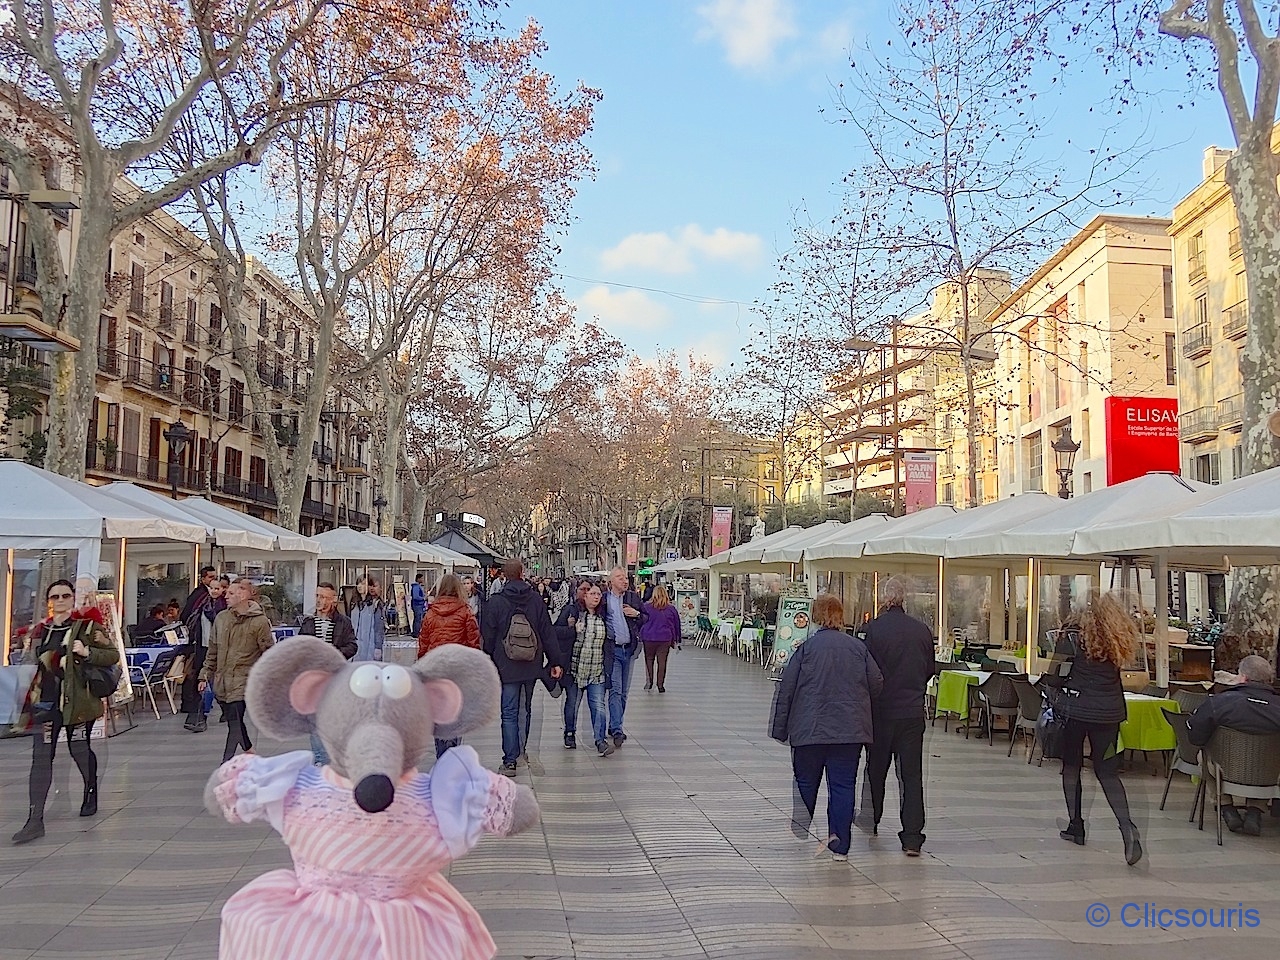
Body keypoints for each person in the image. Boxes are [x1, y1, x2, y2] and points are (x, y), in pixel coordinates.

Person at [769, 593, 883, 862]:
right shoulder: (858, 648)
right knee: (843, 786)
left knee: (806, 780)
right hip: (849, 732)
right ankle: (840, 846)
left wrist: (780, 728)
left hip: (810, 729)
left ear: (816, 616)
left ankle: (803, 818)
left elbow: (787, 688)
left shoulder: (806, 649)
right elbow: (876, 682)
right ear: (841, 616)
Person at [11, 580, 120, 845]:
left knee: (79, 749)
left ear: (72, 599)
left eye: (65, 595)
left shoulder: (87, 627)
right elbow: (29, 662)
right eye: (55, 596)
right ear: (48, 600)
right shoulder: (40, 631)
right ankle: (35, 819)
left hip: (78, 703)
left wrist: (87, 651)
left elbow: (112, 655)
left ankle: (90, 789)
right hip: (46, 704)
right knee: (41, 757)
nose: (60, 600)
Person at [1042, 592, 1143, 865]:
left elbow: (1055, 674)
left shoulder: (1073, 634)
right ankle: (1127, 828)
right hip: (1109, 714)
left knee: (1071, 766)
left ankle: (1076, 825)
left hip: (1075, 712)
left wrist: (1048, 682)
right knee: (1107, 772)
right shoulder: (1116, 636)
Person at [860, 576, 935, 856]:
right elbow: (930, 668)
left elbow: (867, 671)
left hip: (881, 712)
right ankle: (913, 837)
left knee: (875, 770)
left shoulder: (874, 630)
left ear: (885, 599)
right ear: (905, 599)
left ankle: (871, 819)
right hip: (912, 713)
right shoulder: (922, 630)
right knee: (911, 776)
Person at [480, 559, 564, 776]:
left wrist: (488, 661)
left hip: (505, 665)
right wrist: (555, 661)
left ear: (504, 575)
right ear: (522, 573)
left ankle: (509, 761)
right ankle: (520, 751)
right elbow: (547, 632)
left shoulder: (496, 602)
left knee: (508, 712)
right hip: (531, 664)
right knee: (524, 709)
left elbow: (487, 636)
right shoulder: (535, 600)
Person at [1188, 655, 1280, 836]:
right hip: (1269, 773)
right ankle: (1255, 811)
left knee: (1203, 756)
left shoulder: (1218, 702)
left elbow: (1196, 737)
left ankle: (1225, 806)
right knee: (1268, 760)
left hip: (1225, 770)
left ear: (1243, 677)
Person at [199, 578, 273, 764]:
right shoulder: (222, 618)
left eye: (231, 593)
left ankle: (226, 763)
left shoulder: (259, 622)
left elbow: (268, 653)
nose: (226, 596)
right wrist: (205, 674)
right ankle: (249, 751)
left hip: (244, 679)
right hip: (222, 681)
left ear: (244, 595)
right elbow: (213, 649)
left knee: (234, 721)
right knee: (236, 722)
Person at [418, 574, 483, 758]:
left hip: (436, 671)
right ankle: (453, 752)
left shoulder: (430, 614)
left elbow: (423, 644)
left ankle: (442, 756)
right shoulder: (465, 612)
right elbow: (473, 643)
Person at [297, 582, 357, 764]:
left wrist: (336, 653)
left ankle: (334, 756)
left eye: (323, 597)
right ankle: (321, 760)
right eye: (317, 596)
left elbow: (353, 645)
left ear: (333, 600)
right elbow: (299, 647)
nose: (319, 600)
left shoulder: (343, 622)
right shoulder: (307, 622)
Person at [556, 582, 616, 756]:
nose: (596, 597)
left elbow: (609, 641)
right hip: (575, 669)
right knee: (572, 704)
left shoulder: (604, 616)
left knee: (598, 706)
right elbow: (555, 632)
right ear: (585, 596)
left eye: (598, 594)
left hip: (596, 669)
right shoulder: (573, 612)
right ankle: (569, 732)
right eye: (592, 594)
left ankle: (600, 741)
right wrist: (571, 629)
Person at [604, 565, 646, 749]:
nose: (625, 580)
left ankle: (615, 724)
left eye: (626, 577)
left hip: (628, 650)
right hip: (612, 651)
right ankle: (617, 728)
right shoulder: (604, 600)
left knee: (624, 692)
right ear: (611, 581)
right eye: (620, 577)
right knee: (616, 690)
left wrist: (636, 614)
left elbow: (646, 616)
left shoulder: (632, 598)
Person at [182, 575, 228, 732]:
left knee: (214, 682)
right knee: (203, 681)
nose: (214, 591)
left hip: (219, 648)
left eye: (217, 588)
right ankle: (200, 715)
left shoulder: (224, 607)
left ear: (222, 590)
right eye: (212, 588)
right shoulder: (202, 605)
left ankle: (215, 710)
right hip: (202, 647)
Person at [640, 585, 682, 693]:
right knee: (662, 662)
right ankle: (660, 685)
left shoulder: (646, 607)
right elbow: (677, 625)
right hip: (664, 638)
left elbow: (641, 621)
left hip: (648, 637)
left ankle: (649, 682)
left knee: (649, 660)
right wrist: (678, 639)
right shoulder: (671, 609)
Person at [349, 576, 386, 661]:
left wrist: (378, 647)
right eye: (358, 583)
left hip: (369, 647)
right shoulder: (354, 604)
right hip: (355, 648)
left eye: (363, 584)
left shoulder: (374, 605)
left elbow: (378, 629)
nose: (360, 586)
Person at [410, 573, 428, 638]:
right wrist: (423, 598)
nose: (423, 580)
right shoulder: (416, 587)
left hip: (419, 605)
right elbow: (416, 596)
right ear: (418, 579)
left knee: (418, 619)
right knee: (418, 619)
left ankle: (416, 631)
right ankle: (416, 632)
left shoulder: (418, 587)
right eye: (422, 578)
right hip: (417, 605)